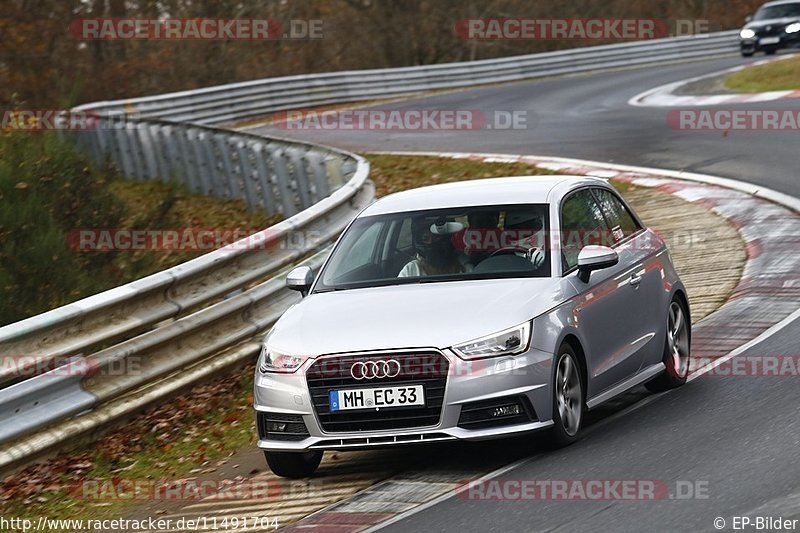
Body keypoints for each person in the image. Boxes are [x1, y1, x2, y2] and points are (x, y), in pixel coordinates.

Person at [398, 217, 465, 277]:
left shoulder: (463, 265)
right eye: (426, 239)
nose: (430, 242)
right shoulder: (411, 270)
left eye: (435, 237)